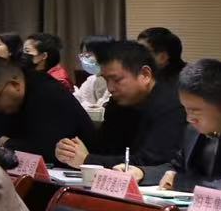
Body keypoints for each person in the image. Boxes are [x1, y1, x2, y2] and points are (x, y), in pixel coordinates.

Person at [60, 40, 182, 171]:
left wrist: (88, 160)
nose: (110, 88)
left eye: (117, 80)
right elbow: (103, 148)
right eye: (106, 80)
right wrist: (70, 152)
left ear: (145, 75)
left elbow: (151, 162)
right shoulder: (118, 103)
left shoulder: (172, 106)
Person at [147, 59, 221, 191]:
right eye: (186, 109)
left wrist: (183, 183)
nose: (189, 119)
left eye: (195, 111)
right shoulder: (196, 124)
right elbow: (177, 169)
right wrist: (142, 173)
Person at [0, 57, 94, 165]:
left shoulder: (48, 93)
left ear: (15, 85)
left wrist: (9, 143)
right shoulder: (7, 105)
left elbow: (49, 150)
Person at [74, 35, 116, 109]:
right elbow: (80, 101)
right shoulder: (91, 80)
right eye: (82, 55)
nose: (84, 59)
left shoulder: (120, 80)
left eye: (87, 55)